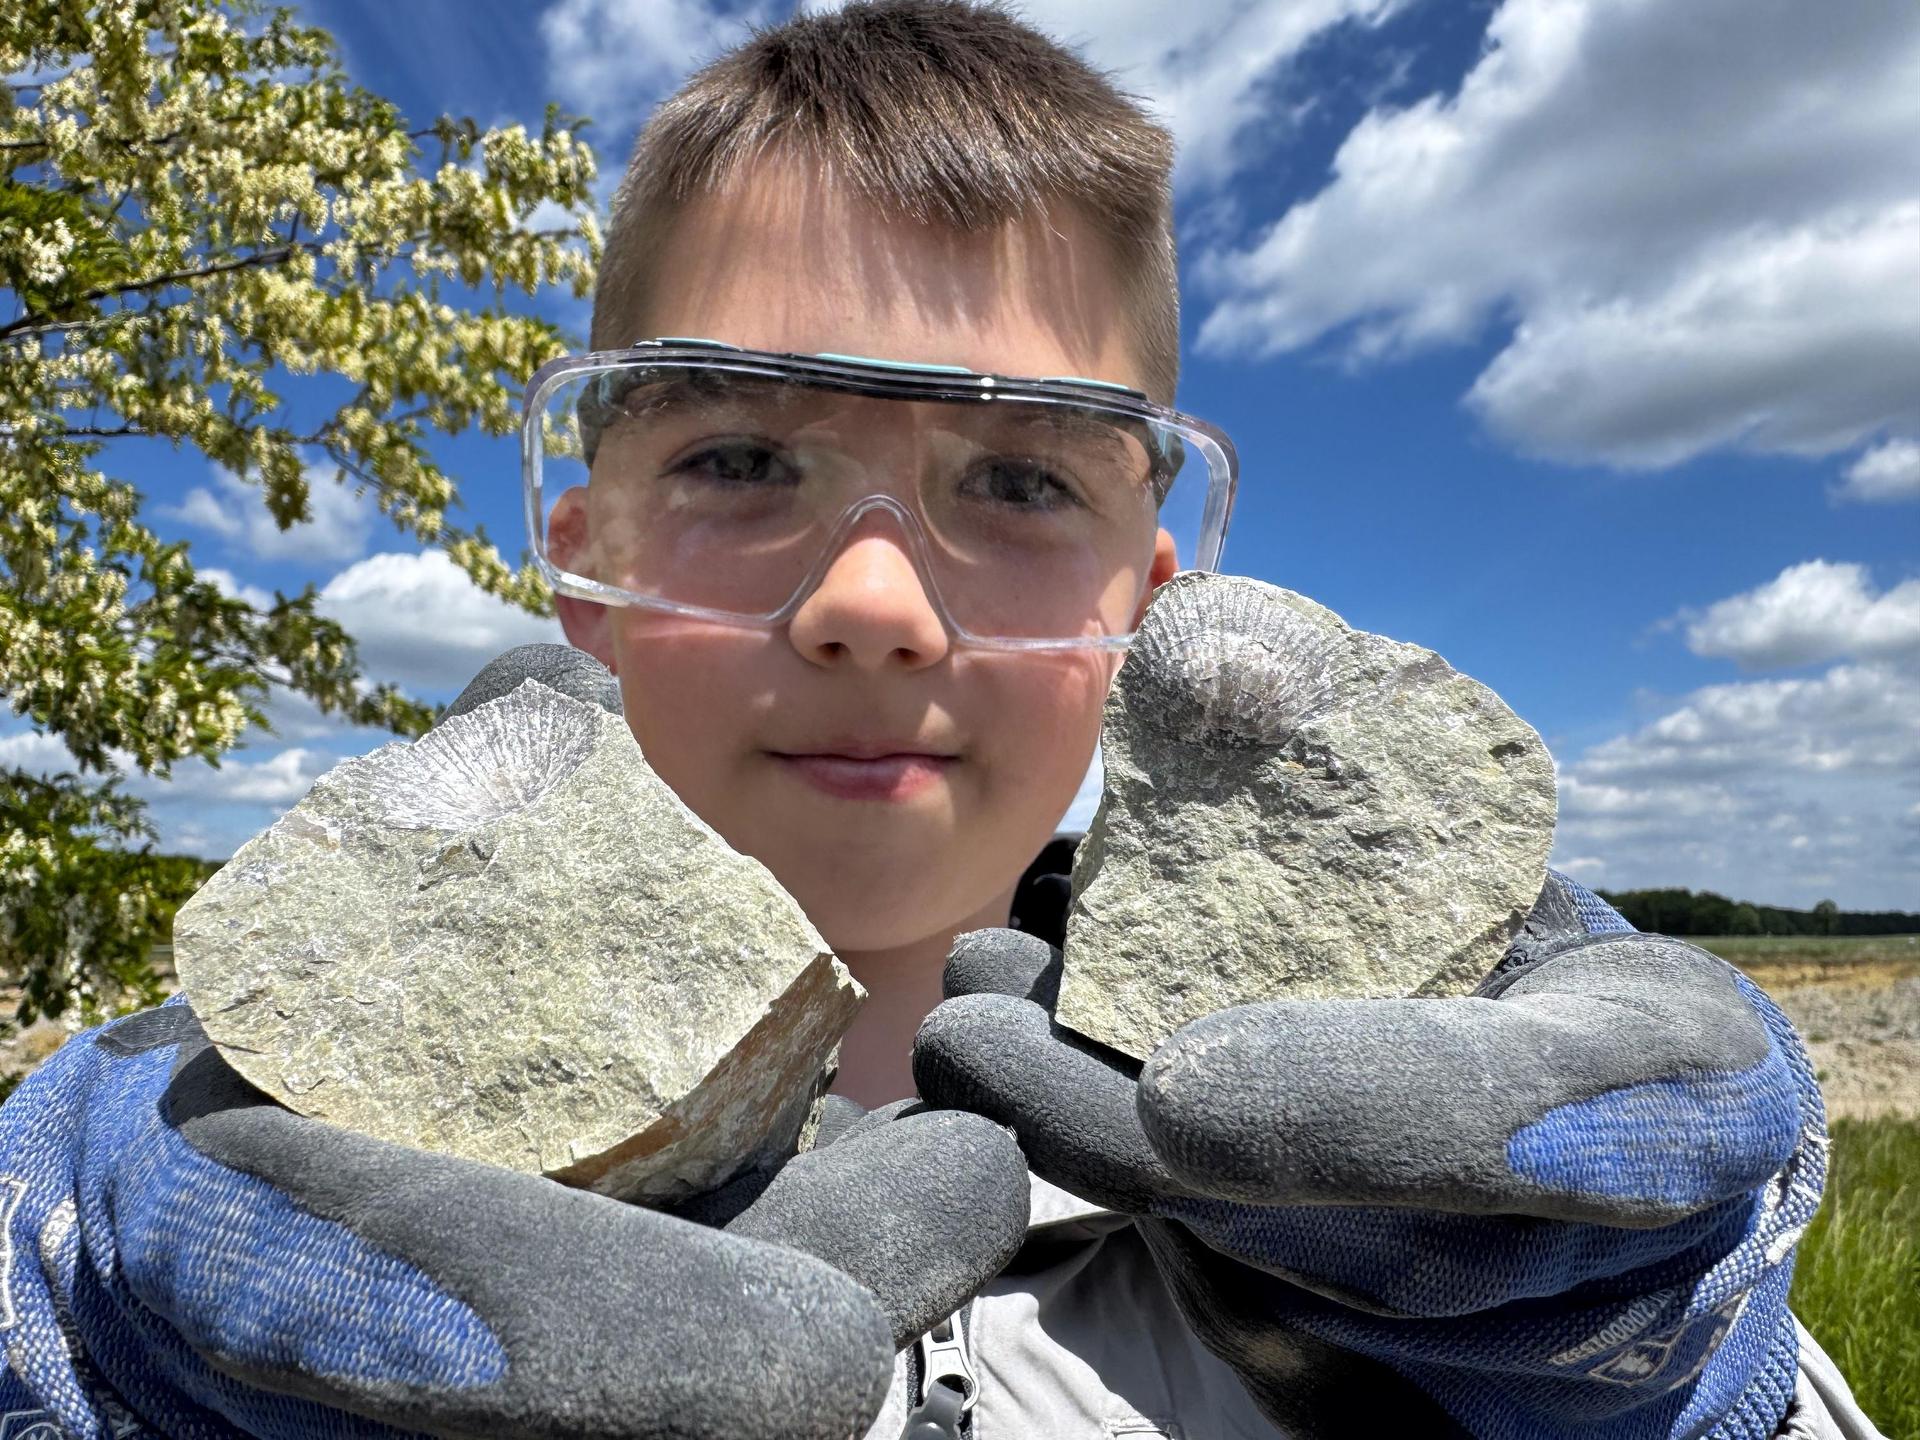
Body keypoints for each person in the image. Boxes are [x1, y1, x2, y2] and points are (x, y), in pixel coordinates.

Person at [0, 4, 1884, 1438]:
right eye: (741, 456)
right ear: (584, 563)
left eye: (1023, 481)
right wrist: (68, 1327)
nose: (878, 606)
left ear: (1155, 612)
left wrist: (1662, 1362)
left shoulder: (1401, 1227)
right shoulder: (223, 1156)